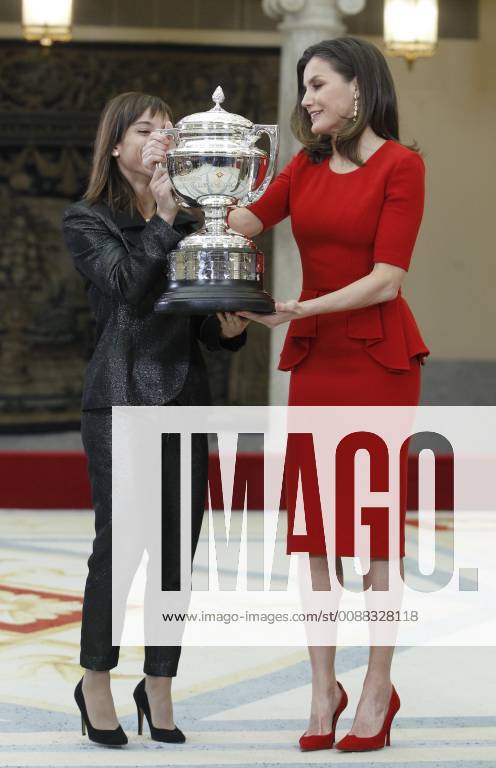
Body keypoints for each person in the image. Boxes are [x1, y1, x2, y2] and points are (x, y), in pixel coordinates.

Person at [229, 37, 429, 753]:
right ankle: (322, 687)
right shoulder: (303, 168)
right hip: (317, 363)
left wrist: (299, 308)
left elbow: (387, 277)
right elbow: (241, 222)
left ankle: (377, 686)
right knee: (313, 534)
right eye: (303, 86)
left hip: (376, 360)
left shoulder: (402, 167)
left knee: (374, 537)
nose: (306, 97)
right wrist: (185, 200)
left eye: (318, 84)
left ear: (359, 88)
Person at [62, 91, 249, 747]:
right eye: (146, 130)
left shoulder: (200, 222)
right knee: (119, 552)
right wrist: (169, 218)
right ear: (115, 146)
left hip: (183, 397)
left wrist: (226, 329)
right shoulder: (87, 220)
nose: (162, 140)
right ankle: (95, 682)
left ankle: (160, 683)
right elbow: (128, 290)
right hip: (118, 398)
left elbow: (193, 320)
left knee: (176, 555)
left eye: (170, 130)